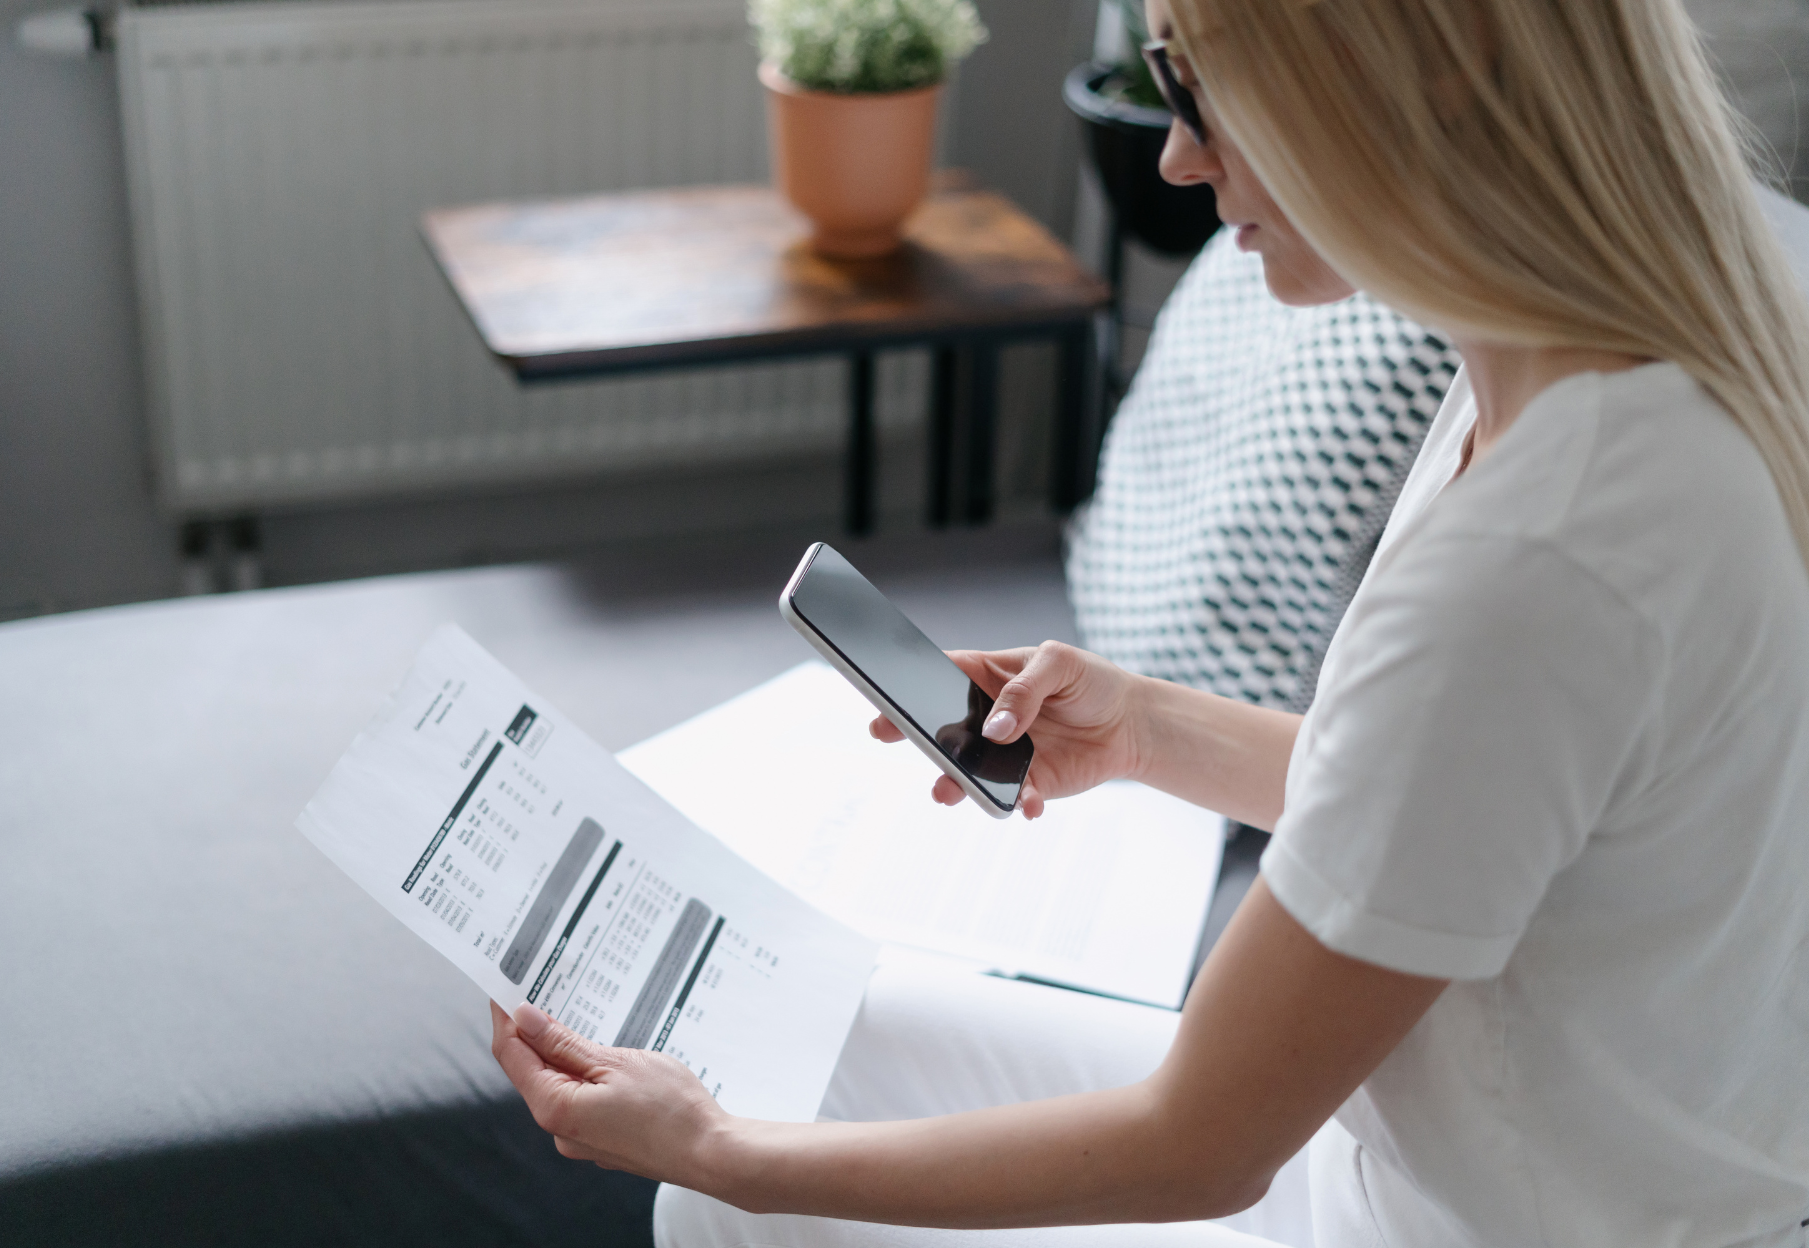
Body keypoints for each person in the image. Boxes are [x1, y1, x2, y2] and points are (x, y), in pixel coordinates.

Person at [490, 0, 1809, 1243]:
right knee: (815, 1052)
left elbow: (1202, 1145)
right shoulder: (1582, 371)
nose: (1177, 159)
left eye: (1194, 84)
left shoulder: (1546, 550)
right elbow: (1465, 805)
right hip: (1391, 1177)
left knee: (734, 1188)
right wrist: (1147, 730)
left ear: (1421, 65)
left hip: (1439, 1221)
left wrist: (707, 1144)